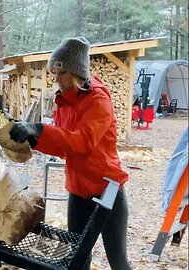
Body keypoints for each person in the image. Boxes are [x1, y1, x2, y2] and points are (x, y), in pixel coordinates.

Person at [9, 37, 132, 270]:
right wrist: (32, 139)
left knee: (118, 262)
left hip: (107, 192)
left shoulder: (98, 100)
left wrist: (40, 129)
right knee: (76, 261)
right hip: (77, 190)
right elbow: (64, 146)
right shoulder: (64, 100)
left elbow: (82, 141)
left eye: (59, 72)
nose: (55, 79)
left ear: (75, 72)